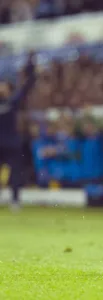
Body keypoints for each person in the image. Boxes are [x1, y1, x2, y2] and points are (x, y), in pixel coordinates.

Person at [0, 53, 36, 210]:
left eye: (4, 85)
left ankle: (15, 200)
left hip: (12, 143)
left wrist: (30, 64)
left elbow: (27, 86)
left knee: (15, 173)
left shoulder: (13, 102)